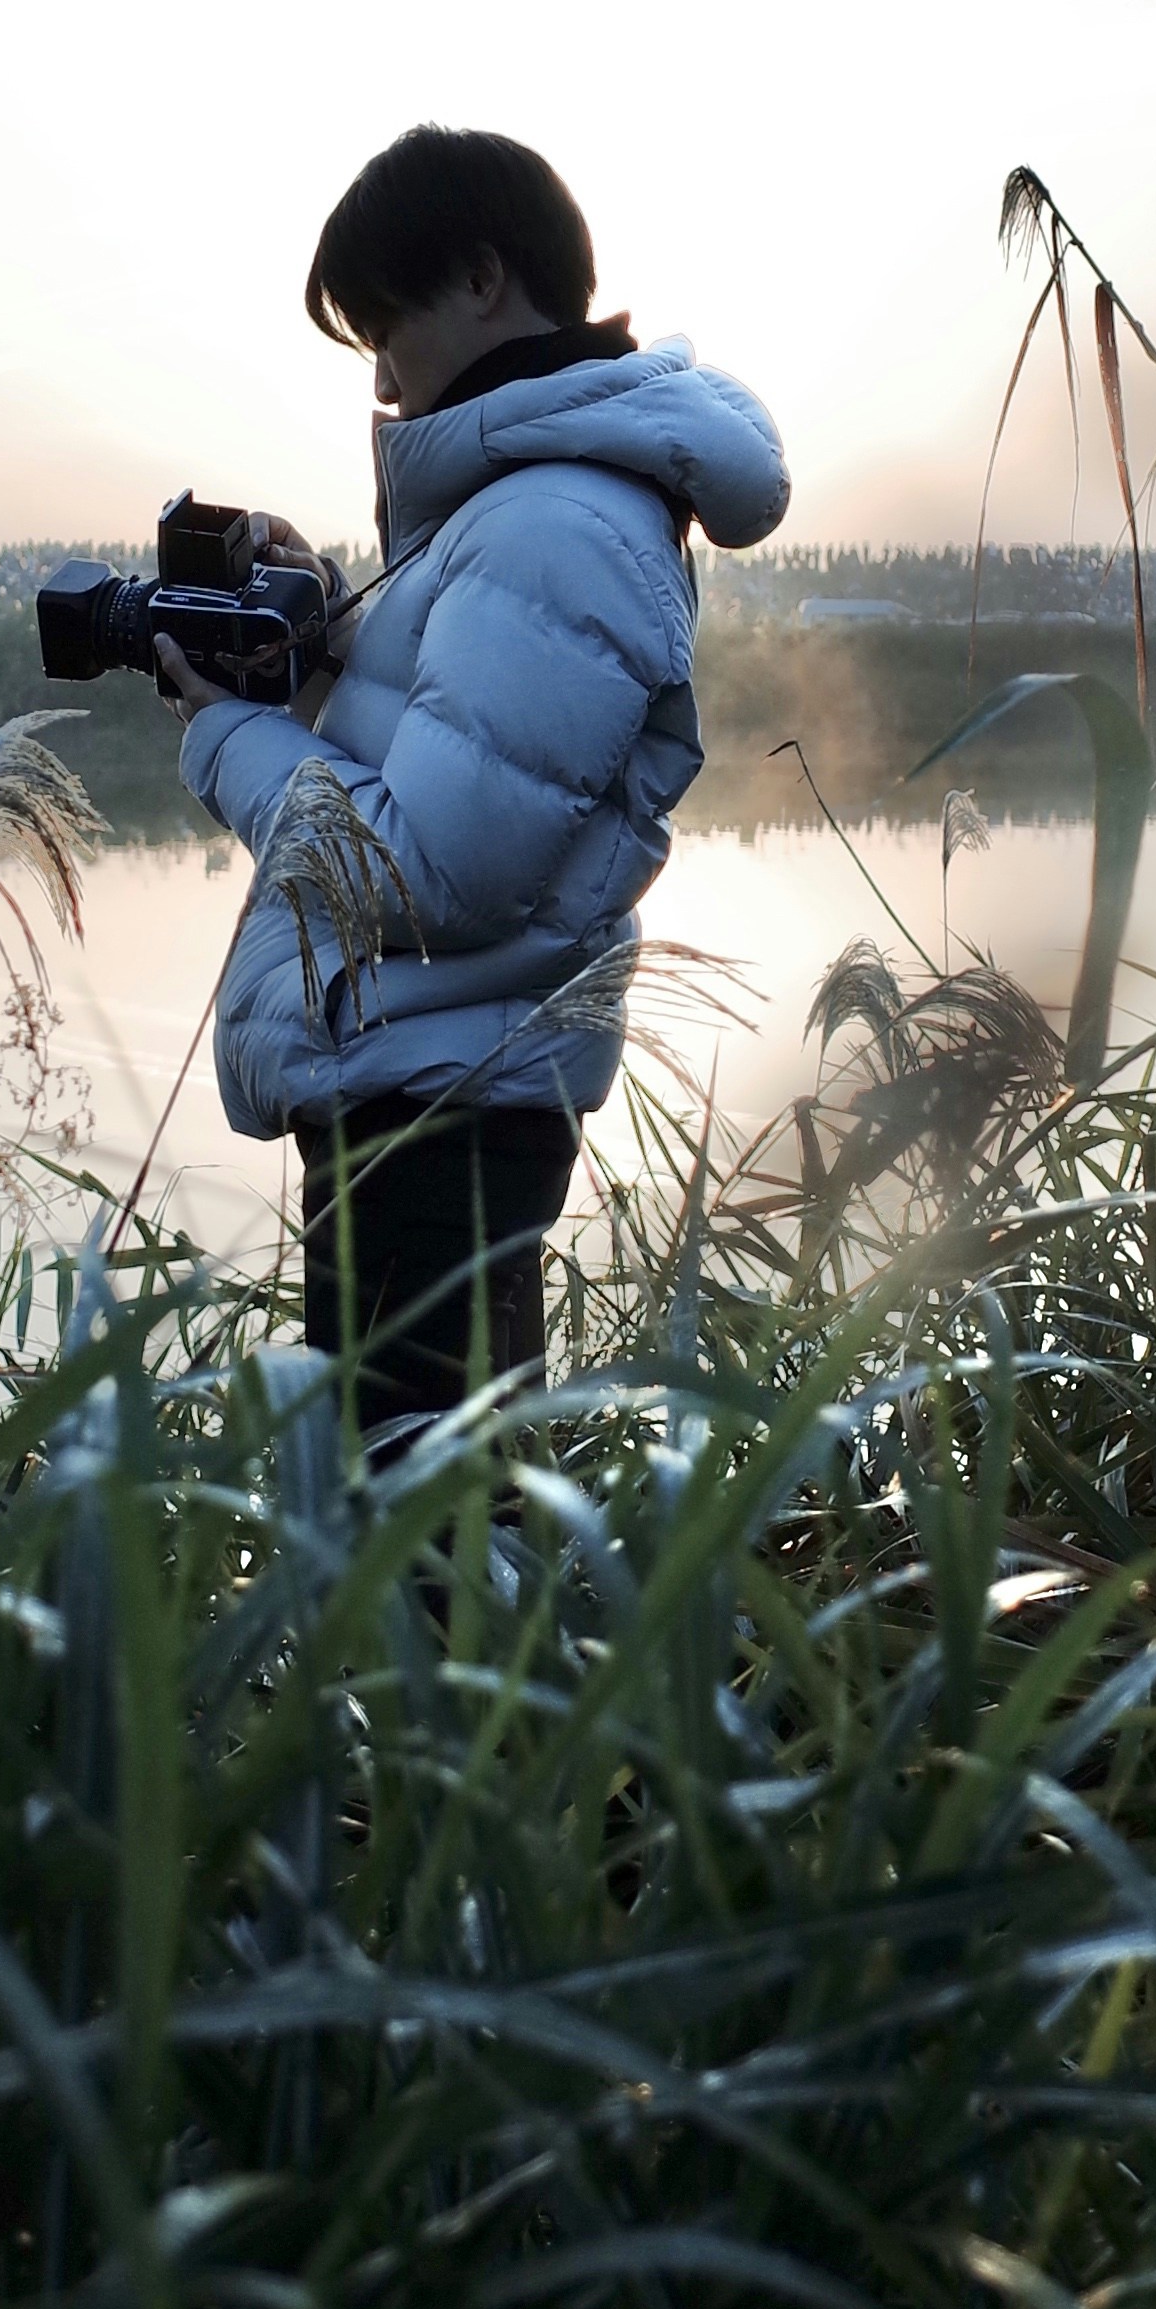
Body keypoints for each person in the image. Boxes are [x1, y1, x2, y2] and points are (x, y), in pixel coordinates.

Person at [155, 126, 789, 1454]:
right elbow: (462, 739)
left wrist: (226, 734)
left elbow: (428, 871)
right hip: (428, 1081)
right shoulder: (530, 511)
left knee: (422, 1523)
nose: (384, 380)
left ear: (484, 278)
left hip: (443, 1109)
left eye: (386, 328)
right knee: (435, 1506)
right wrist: (322, 624)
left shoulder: (556, 524)